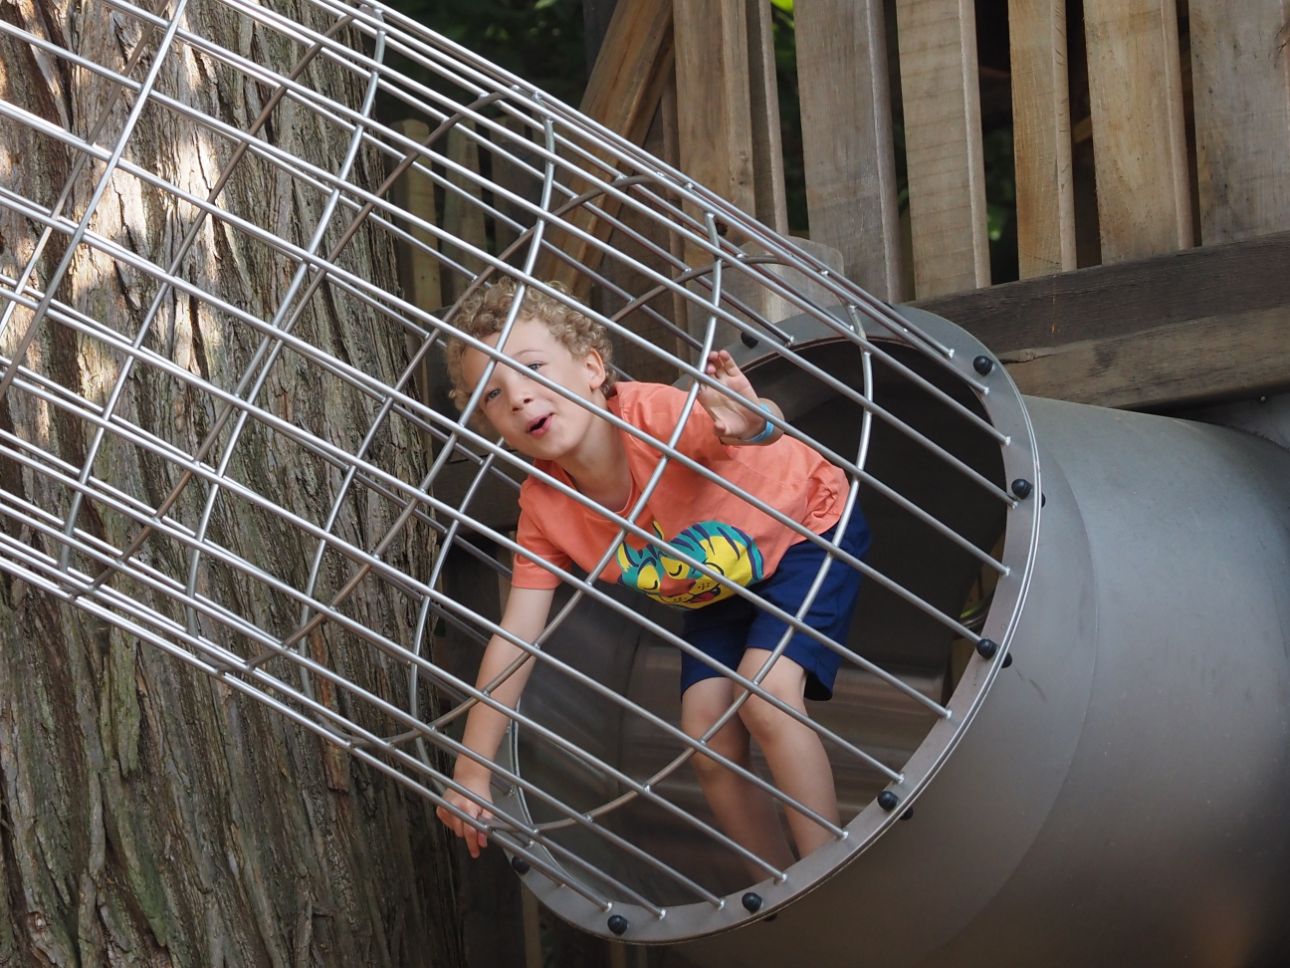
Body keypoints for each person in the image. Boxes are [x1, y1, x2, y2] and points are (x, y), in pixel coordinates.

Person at [435, 279, 869, 873]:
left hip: (804, 530)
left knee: (764, 694)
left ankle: (826, 870)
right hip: (721, 585)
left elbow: (748, 420)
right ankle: (776, 883)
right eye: (492, 393)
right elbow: (515, 638)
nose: (517, 396)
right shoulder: (545, 508)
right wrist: (472, 769)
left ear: (592, 368)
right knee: (706, 735)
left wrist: (753, 421)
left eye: (532, 367)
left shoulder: (654, 417)